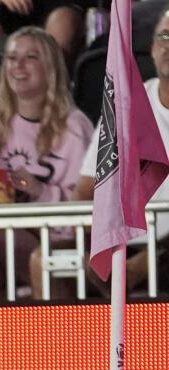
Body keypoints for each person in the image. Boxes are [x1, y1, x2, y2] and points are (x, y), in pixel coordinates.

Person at [33, 5, 169, 298]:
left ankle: (136, 273)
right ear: (152, 48)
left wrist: (142, 264)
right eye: (164, 37)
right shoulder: (129, 103)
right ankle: (67, 343)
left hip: (164, 247)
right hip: (127, 239)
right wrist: (94, 243)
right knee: (44, 259)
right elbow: (85, 190)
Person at [0, 25, 93, 299]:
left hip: (55, 237)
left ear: (51, 67)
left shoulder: (75, 126)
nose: (17, 66)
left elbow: (87, 205)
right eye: (11, 57)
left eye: (30, 57)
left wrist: (38, 190)